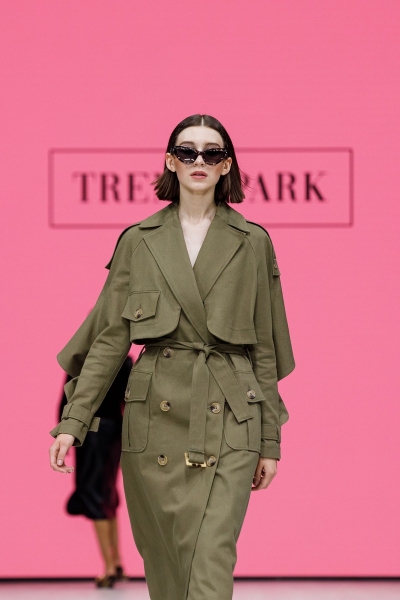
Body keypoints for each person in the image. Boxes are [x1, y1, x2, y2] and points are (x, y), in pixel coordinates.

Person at [49, 114, 295, 600]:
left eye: (211, 152)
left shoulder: (253, 242)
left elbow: (264, 350)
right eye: (187, 151)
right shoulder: (138, 241)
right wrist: (72, 422)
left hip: (230, 417)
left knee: (210, 561)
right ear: (170, 161)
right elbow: (110, 340)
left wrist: (270, 440)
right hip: (153, 422)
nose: (199, 160)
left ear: (226, 165)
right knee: (165, 572)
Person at [57, 355, 132, 587]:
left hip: (90, 431)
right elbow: (130, 399)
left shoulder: (83, 359)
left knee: (94, 494)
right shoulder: (124, 359)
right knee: (107, 493)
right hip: (116, 431)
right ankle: (116, 562)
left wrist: (64, 434)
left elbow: (69, 398)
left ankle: (109, 568)